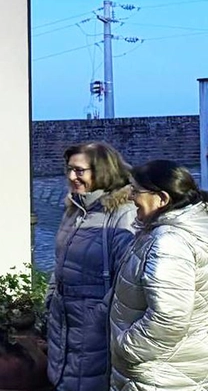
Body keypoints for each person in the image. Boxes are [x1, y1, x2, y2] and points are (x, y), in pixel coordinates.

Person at [109, 160, 208, 391]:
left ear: (162, 199)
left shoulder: (169, 241)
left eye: (136, 191)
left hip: (159, 374)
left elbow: (169, 318)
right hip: (175, 367)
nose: (130, 197)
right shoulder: (182, 230)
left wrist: (126, 348)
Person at [45, 141, 137, 391]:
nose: (72, 176)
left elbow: (126, 278)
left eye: (79, 170)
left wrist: (99, 314)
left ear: (102, 171)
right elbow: (60, 261)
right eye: (69, 169)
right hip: (64, 318)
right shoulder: (74, 209)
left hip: (94, 324)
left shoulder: (123, 213)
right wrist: (51, 297)